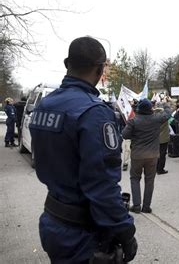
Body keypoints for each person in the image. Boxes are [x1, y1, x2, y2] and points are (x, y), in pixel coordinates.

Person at [29, 37, 137, 263]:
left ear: (67, 64)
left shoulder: (44, 105)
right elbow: (102, 185)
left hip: (53, 221)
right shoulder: (94, 112)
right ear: (100, 70)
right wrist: (124, 230)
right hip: (82, 233)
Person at [122, 98, 171, 213]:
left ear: (139, 108)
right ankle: (146, 206)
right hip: (153, 155)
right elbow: (168, 113)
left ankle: (137, 205)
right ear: (150, 108)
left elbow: (125, 135)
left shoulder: (133, 121)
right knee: (150, 180)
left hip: (137, 155)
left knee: (135, 179)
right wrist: (164, 103)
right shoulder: (156, 119)